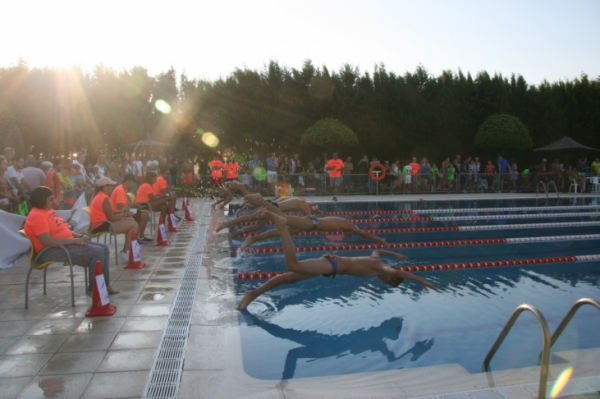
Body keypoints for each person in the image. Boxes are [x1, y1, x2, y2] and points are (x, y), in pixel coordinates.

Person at [236, 210, 437, 310]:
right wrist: (421, 280)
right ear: (390, 280)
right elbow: (397, 272)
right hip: (331, 264)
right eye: (388, 282)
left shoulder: (376, 261)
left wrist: (394, 254)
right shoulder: (379, 268)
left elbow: (377, 250)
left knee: (288, 278)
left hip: (330, 265)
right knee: (292, 265)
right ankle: (280, 224)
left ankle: (252, 294)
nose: (384, 281)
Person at [24, 186, 119, 296]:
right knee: (97, 253)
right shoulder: (37, 216)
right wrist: (74, 241)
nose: (54, 201)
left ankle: (105, 284)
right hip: (49, 250)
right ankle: (93, 289)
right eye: (50, 199)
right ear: (41, 200)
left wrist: (77, 235)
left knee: (104, 249)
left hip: (63, 244)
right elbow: (47, 241)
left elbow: (63, 229)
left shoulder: (48, 211)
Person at [227, 194, 388, 250]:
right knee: (281, 218)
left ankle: (253, 238)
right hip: (310, 223)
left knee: (280, 230)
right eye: (348, 235)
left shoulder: (342, 223)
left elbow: (326, 223)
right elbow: (364, 233)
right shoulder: (350, 226)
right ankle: (259, 199)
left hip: (312, 223)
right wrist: (379, 239)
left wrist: (324, 235)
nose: (346, 235)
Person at [90, 177, 138, 261]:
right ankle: (126, 251)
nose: (112, 188)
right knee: (133, 225)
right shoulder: (104, 198)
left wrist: (122, 212)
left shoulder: (101, 196)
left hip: (103, 222)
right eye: (110, 186)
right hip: (101, 224)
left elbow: (111, 212)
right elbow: (111, 217)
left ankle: (128, 250)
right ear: (105, 187)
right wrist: (124, 214)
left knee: (131, 221)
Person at [136, 172, 169, 242]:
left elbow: (152, 198)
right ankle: (171, 215)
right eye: (155, 178)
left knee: (164, 207)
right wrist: (162, 197)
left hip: (148, 203)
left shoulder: (149, 185)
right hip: (143, 204)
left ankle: (161, 226)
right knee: (165, 200)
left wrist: (160, 197)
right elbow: (153, 198)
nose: (156, 180)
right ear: (151, 178)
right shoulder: (146, 185)